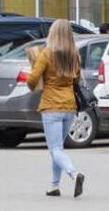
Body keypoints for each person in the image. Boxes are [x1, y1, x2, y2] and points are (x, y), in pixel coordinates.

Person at [26, 20, 86, 198]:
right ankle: (54, 186)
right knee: (57, 149)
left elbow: (32, 80)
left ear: (53, 34)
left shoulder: (47, 54)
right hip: (69, 106)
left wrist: (32, 84)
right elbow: (76, 80)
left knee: (55, 149)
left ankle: (74, 174)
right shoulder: (74, 55)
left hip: (51, 105)